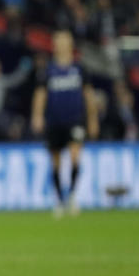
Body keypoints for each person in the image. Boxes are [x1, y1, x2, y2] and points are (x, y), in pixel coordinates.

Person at [30, 30, 99, 216]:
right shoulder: (48, 71)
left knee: (76, 155)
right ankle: (60, 200)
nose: (61, 44)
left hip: (75, 119)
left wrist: (92, 119)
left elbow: (89, 95)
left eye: (64, 41)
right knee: (56, 161)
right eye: (58, 41)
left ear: (70, 45)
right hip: (54, 120)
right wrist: (37, 116)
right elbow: (40, 95)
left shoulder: (79, 69)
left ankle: (73, 195)